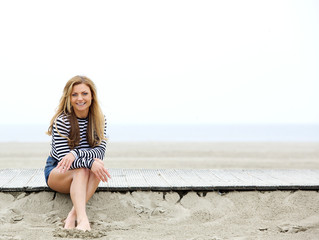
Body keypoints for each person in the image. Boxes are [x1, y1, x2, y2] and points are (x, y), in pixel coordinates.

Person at [44, 75, 111, 231]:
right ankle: (83, 219)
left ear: (92, 96)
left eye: (84, 93)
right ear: (69, 98)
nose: (80, 98)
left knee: (97, 165)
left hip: (83, 170)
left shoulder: (100, 120)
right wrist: (87, 160)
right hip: (57, 172)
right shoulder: (62, 121)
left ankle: (73, 216)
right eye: (74, 94)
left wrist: (75, 153)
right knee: (82, 169)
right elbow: (63, 160)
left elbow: (100, 152)